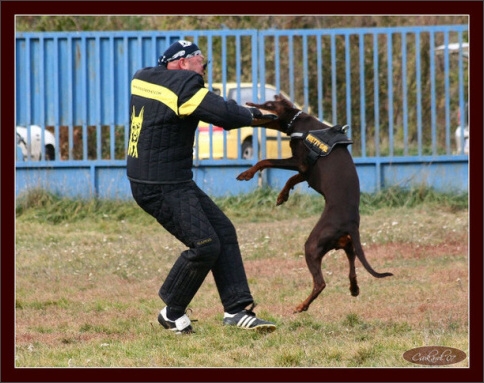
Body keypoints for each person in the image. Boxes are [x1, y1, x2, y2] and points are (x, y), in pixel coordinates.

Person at [127, 40, 277, 334]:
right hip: (161, 186)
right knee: (205, 244)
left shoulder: (143, 78)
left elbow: (211, 103)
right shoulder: (184, 87)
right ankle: (171, 312)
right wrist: (261, 118)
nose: (204, 69)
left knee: (223, 232)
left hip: (167, 180)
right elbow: (223, 114)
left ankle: (236, 310)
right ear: (183, 63)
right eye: (202, 62)